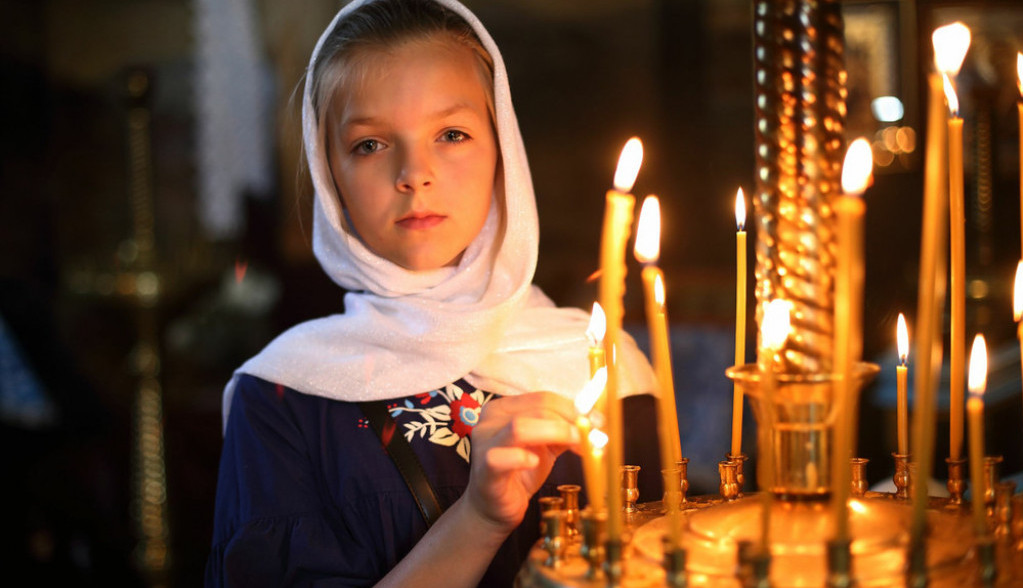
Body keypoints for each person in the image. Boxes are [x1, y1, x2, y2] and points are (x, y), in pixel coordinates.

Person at [206, 0, 657, 586]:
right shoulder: (283, 394)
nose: (414, 173)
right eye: (369, 144)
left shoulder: (600, 363)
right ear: (330, 175)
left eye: (451, 133)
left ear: (504, 153)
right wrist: (477, 519)